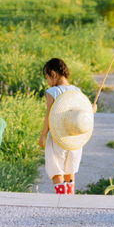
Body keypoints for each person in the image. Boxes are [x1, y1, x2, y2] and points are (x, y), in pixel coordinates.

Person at [39, 58, 96, 195]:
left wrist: (43, 135)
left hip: (58, 136)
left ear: (53, 74)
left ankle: (61, 199)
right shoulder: (77, 91)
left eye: (47, 77)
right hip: (74, 136)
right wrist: (92, 109)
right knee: (70, 169)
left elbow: (49, 116)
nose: (47, 81)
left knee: (56, 169)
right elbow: (83, 114)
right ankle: (69, 198)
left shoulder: (52, 92)